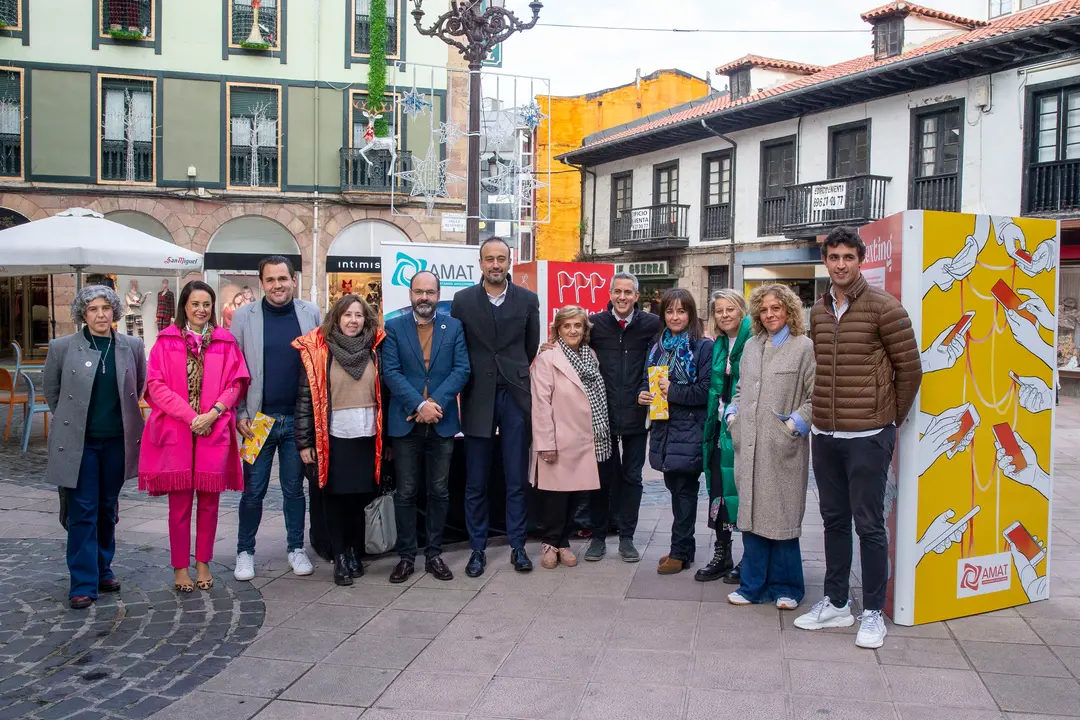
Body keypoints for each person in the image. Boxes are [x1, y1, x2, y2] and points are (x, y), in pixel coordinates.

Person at [795, 226, 922, 649]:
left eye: (848, 257)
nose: (841, 264)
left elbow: (911, 371)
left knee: (869, 525)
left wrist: (889, 423)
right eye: (834, 257)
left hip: (868, 435)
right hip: (826, 434)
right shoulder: (818, 310)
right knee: (833, 521)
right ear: (825, 261)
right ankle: (835, 603)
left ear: (860, 259)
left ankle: (871, 612)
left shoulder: (886, 308)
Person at [139, 281, 250, 593]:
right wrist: (191, 417)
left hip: (213, 429)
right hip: (177, 430)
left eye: (206, 304)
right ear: (184, 307)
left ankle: (203, 561)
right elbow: (156, 386)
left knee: (210, 503)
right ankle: (179, 567)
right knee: (180, 504)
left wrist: (212, 413)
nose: (201, 310)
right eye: (195, 304)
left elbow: (237, 383)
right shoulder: (166, 341)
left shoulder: (225, 342)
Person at [43, 286, 146, 609]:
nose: (100, 315)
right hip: (80, 443)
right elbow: (53, 392)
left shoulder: (132, 346)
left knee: (106, 507)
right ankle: (82, 582)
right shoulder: (63, 348)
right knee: (82, 510)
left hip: (117, 440)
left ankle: (103, 568)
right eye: (93, 309)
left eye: (105, 308)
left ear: (115, 311)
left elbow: (138, 386)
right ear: (82, 315)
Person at [451, 237, 540, 577]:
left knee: (516, 478)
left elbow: (529, 347)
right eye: (490, 259)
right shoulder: (462, 301)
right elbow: (460, 347)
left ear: (509, 261)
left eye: (501, 259)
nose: (495, 265)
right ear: (480, 262)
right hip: (477, 395)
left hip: (516, 396)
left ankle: (518, 546)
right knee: (476, 481)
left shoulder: (528, 300)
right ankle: (477, 550)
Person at [230, 256, 323, 582]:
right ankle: (245, 552)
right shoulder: (243, 317)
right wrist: (239, 412)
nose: (277, 285)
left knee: (294, 490)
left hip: (297, 421)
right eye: (270, 280)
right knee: (252, 491)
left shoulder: (310, 313)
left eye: (282, 278)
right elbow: (234, 371)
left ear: (293, 280)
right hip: (257, 421)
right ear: (261, 283)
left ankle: (295, 548)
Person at [724, 284, 814, 608]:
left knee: (782, 515)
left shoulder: (803, 347)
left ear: (789, 310)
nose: (770, 314)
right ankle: (752, 586)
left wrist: (793, 427)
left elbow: (815, 397)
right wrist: (732, 414)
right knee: (751, 515)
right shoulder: (750, 346)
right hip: (748, 444)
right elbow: (740, 389)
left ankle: (788, 587)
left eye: (776, 308)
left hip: (782, 448)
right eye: (764, 309)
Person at [381, 270, 470, 584]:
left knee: (440, 491)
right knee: (405, 492)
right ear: (410, 294)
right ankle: (406, 556)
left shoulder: (454, 327)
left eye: (430, 292)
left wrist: (435, 405)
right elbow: (390, 372)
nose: (424, 298)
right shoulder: (393, 327)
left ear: (438, 294)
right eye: (419, 292)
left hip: (442, 422)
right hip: (405, 423)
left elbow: (462, 370)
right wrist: (418, 405)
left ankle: (434, 554)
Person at [294, 294, 385, 586]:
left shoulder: (376, 350)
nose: (353, 321)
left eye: (358, 315)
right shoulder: (320, 352)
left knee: (360, 499)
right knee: (334, 499)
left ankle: (355, 552)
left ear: (366, 319)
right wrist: (305, 442)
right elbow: (305, 399)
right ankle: (339, 558)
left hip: (367, 435)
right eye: (347, 315)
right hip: (332, 437)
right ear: (337, 317)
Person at [582, 272, 660, 563]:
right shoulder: (595, 323)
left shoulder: (651, 325)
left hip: (637, 415)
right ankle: (598, 537)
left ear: (637, 297)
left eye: (628, 292)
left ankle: (627, 538)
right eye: (618, 291)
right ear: (610, 293)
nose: (623, 297)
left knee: (632, 477)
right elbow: (572, 341)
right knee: (601, 478)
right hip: (602, 416)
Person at [638, 288, 714, 575]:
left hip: (689, 429)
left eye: (681, 311)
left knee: (684, 491)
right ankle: (685, 549)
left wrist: (674, 391)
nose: (675, 316)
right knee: (675, 489)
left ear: (691, 314)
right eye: (670, 311)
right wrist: (643, 394)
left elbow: (706, 391)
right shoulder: (658, 346)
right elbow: (648, 381)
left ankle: (680, 552)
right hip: (664, 428)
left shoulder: (701, 347)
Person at [531, 306, 608, 569]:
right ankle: (550, 542)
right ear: (558, 329)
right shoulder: (547, 359)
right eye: (567, 326)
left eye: (578, 325)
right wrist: (545, 443)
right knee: (555, 496)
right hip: (559, 436)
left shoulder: (591, 356)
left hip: (585, 438)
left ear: (585, 329)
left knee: (576, 494)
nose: (573, 330)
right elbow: (540, 404)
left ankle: (563, 543)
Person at [697, 289, 752, 584]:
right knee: (718, 490)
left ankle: (749, 558)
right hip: (719, 429)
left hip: (744, 430)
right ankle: (722, 553)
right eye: (719, 310)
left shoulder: (754, 341)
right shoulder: (718, 344)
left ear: (741, 310)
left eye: (730, 309)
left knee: (744, 493)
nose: (724, 315)